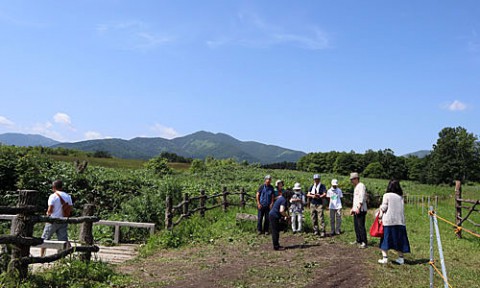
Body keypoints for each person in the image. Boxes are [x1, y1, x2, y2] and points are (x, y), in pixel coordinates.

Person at [377, 180, 411, 265]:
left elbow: (384, 208)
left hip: (389, 221)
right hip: (400, 222)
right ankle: (401, 258)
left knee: (385, 240)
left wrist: (380, 214)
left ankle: (385, 258)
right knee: (399, 241)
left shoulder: (386, 195)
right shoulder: (400, 197)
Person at [41, 180, 73, 257]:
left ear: (53, 187)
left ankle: (42, 256)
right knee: (62, 240)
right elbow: (70, 208)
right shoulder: (68, 196)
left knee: (45, 238)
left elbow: (50, 209)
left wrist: (47, 215)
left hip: (53, 220)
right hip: (63, 220)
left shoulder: (53, 196)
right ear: (61, 187)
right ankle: (61, 256)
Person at [350, 172, 368, 248]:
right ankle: (358, 239)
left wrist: (359, 207)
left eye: (352, 179)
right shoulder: (356, 187)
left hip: (361, 209)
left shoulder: (361, 186)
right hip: (356, 209)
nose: (351, 181)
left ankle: (364, 242)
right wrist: (353, 208)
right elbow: (355, 200)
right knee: (356, 225)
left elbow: (362, 197)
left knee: (361, 226)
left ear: (356, 178)